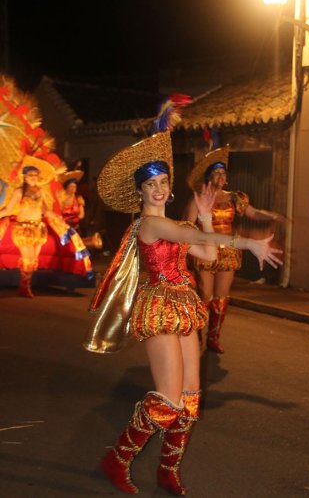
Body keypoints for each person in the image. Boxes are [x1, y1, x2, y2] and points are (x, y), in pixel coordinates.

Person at [84, 129, 282, 496]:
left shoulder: (178, 225)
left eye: (163, 181)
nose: (158, 189)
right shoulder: (149, 224)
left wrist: (206, 217)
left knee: (190, 397)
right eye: (150, 184)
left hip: (183, 304)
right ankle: (117, 459)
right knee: (168, 399)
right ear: (140, 191)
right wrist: (248, 242)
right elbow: (198, 242)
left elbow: (207, 255)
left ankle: (167, 470)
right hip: (158, 305)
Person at [184, 145, 286, 354]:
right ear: (208, 176)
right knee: (205, 294)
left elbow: (254, 213)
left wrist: (272, 215)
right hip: (205, 250)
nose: (220, 176)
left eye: (223, 173)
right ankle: (197, 336)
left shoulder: (234, 198)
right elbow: (187, 226)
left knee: (222, 295)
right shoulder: (199, 198)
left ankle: (213, 336)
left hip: (229, 250)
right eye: (216, 172)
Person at [0, 155, 93, 297]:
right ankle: (25, 287)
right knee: (27, 258)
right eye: (31, 175)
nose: (33, 178)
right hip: (23, 229)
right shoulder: (19, 192)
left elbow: (44, 210)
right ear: (25, 176)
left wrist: (56, 217)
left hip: (38, 229)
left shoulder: (40, 191)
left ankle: (25, 286)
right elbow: (8, 209)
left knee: (34, 259)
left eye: (36, 175)